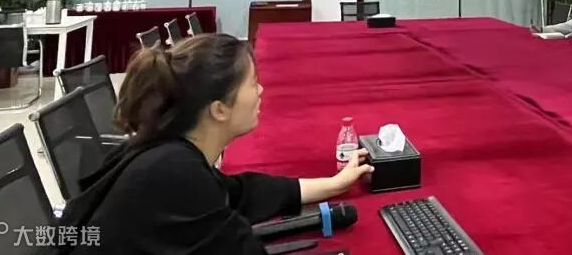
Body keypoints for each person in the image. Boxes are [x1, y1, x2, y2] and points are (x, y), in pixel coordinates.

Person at [56, 34, 373, 254]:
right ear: (219, 109)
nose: (261, 91)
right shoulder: (176, 173)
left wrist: (334, 184)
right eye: (253, 83)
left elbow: (243, 193)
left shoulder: (169, 151)